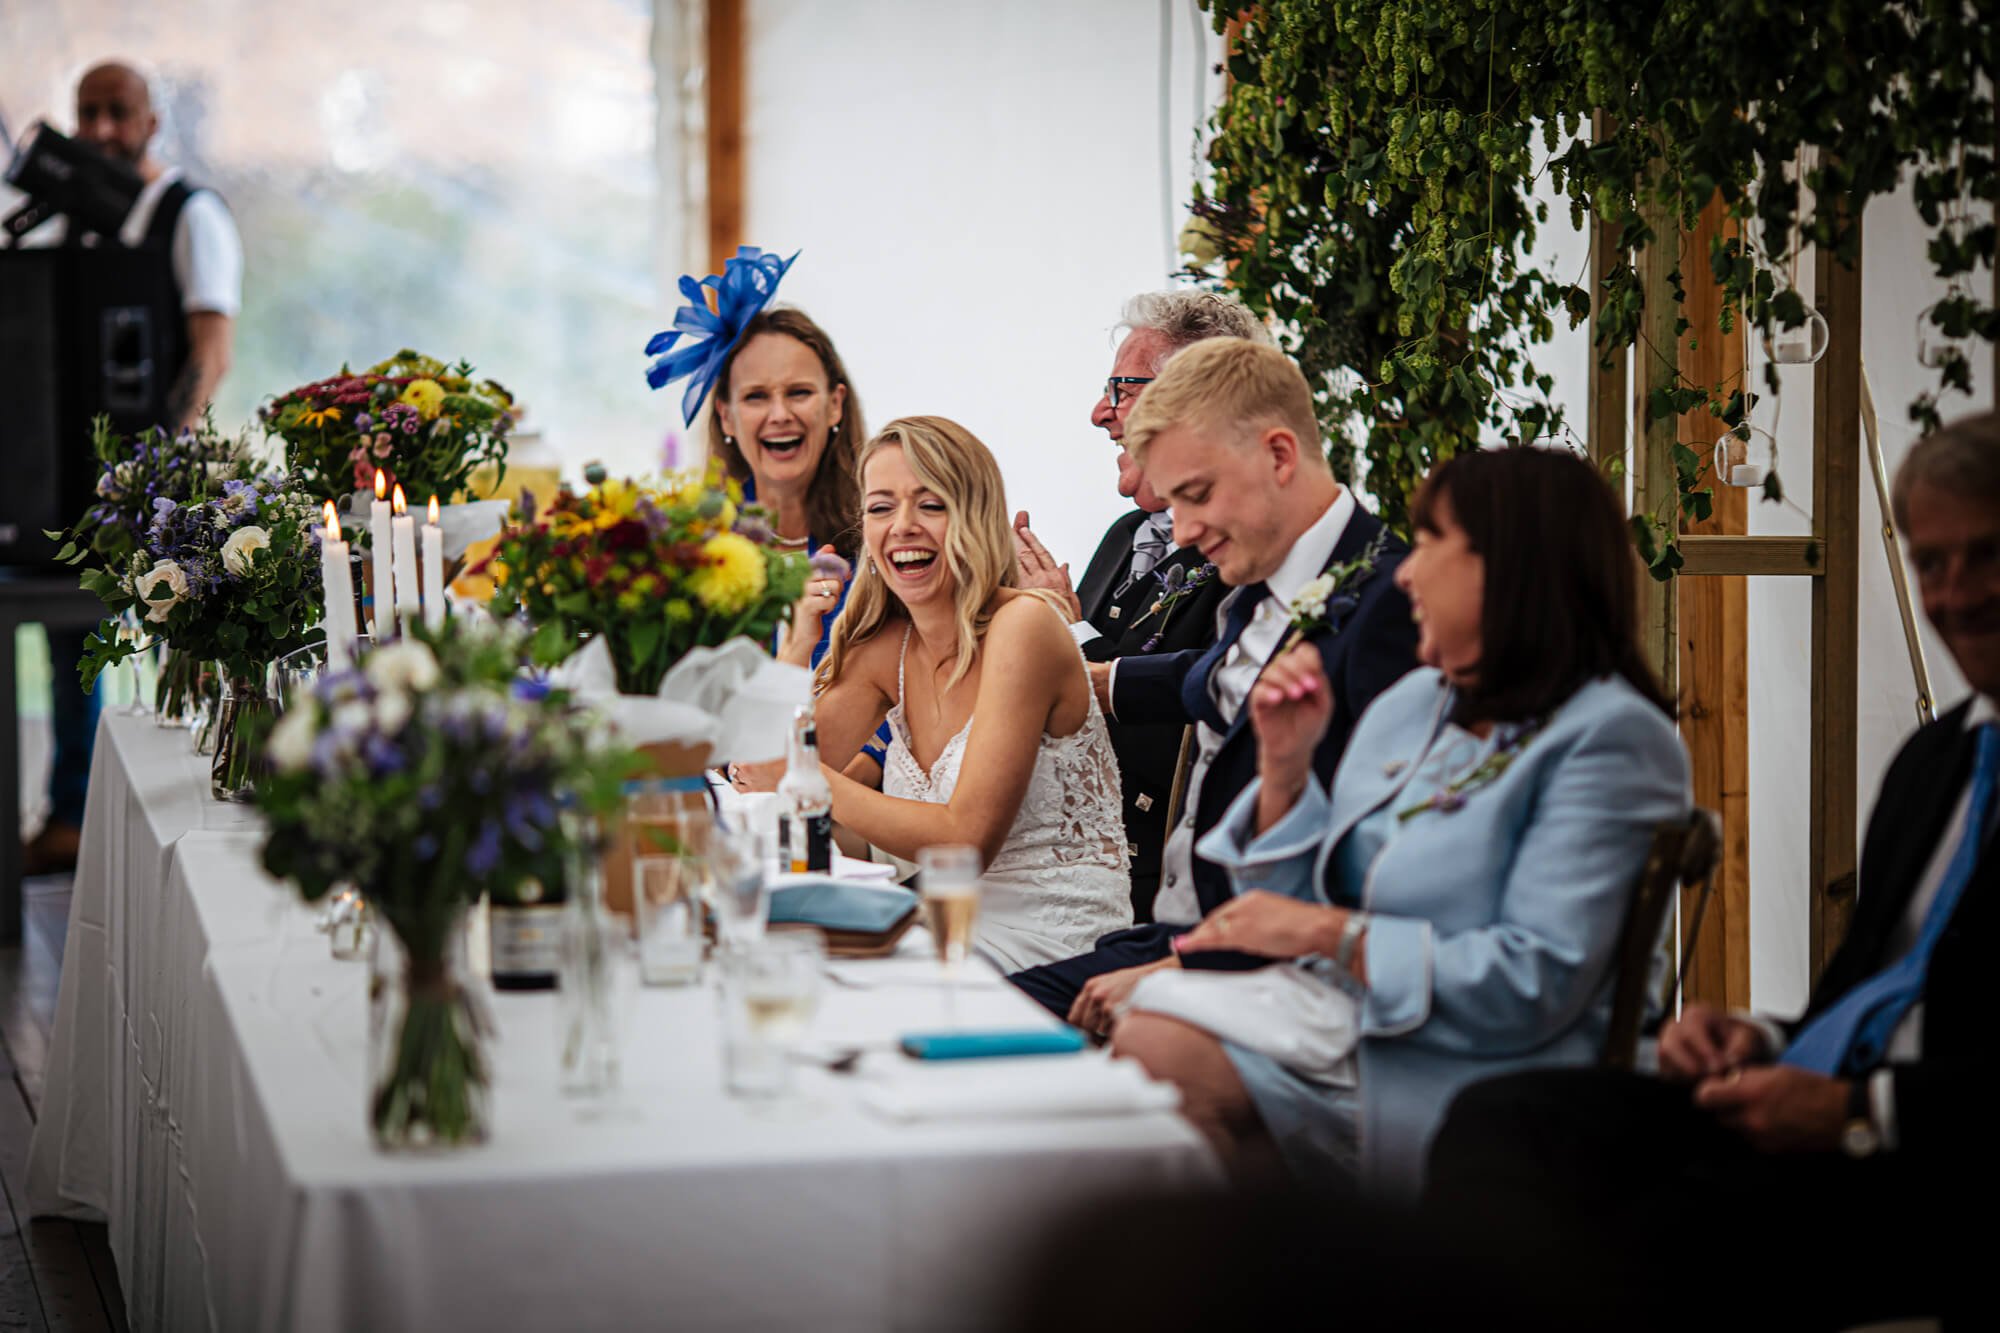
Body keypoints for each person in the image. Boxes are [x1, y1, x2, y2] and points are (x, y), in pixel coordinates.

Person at [1422, 413, 2000, 1329]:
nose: (1955, 593)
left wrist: (1859, 1108)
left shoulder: (1608, 734)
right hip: (1814, 1114)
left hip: (1932, 1162)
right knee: (1505, 1125)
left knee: (1608, 1236)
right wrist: (1761, 1040)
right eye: (1930, 564)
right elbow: (1873, 990)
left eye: (1985, 556)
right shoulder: (1937, 764)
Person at [1109, 444, 1691, 1196]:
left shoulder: (1611, 737)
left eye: (1429, 544)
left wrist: (1331, 937)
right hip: (1356, 1036)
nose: (1405, 572)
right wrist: (1285, 768)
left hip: (1491, 1078)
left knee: (1159, 1064)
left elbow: (1537, 981)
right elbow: (1299, 899)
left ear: (1509, 567)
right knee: (1146, 1047)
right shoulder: (1419, 704)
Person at [1008, 338, 1418, 1023]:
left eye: (1196, 496)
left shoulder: (1389, 603)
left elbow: (1372, 873)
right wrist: (1081, 674)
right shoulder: (1263, 575)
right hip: (1166, 936)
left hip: (1257, 972)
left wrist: (1182, 968)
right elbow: (1207, 678)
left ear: (1280, 455)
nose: (1187, 533)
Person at [20, 58, 243, 876]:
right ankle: (73, 812)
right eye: (88, 113)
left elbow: (211, 354)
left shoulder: (191, 215)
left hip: (160, 488)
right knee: (71, 644)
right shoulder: (64, 223)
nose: (102, 129)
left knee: (172, 650)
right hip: (70, 477)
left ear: (151, 121)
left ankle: (180, 822)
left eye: (118, 112)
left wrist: (161, 469)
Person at [807, 416, 1133, 972]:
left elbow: (965, 841)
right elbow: (771, 769)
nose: (902, 526)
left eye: (930, 505)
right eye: (882, 508)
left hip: (1053, 946)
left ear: (975, 518)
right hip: (946, 928)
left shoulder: (1024, 625)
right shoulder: (893, 645)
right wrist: (798, 640)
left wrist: (804, 782)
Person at [1012, 291, 1268, 921]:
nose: (1102, 413)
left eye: (1122, 390)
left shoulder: (1246, 553)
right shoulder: (1124, 537)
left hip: (1152, 886)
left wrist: (1063, 631)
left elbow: (1174, 728)